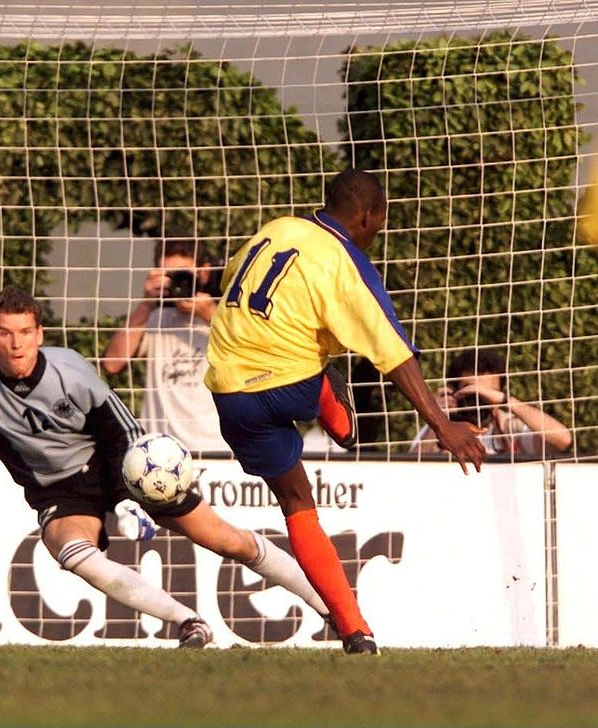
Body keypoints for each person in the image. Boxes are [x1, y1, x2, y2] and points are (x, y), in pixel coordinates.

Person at [0, 286, 335, 649]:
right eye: (5, 334)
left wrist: (126, 499)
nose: (16, 344)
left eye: (24, 333)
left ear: (40, 334)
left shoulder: (72, 372)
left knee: (226, 540)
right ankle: (187, 622)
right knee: (68, 551)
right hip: (59, 488)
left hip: (122, 467)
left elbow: (123, 436)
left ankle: (330, 606)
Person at [205, 168, 487, 655]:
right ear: (370, 215)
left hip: (228, 388)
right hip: (288, 385)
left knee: (296, 503)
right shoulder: (345, 261)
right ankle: (328, 399)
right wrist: (441, 425)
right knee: (328, 350)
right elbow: (394, 352)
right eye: (382, 219)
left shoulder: (276, 228)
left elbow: (232, 285)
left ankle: (355, 632)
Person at [101, 238, 230, 454]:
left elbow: (248, 353)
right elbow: (112, 364)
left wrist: (209, 313)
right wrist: (146, 303)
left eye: (184, 273)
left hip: (217, 449)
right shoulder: (155, 319)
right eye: (169, 274)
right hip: (160, 451)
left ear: (204, 272)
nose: (179, 281)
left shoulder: (226, 317)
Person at [410, 349, 572, 456]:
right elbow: (411, 468)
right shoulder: (439, 430)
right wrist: (437, 418)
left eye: (488, 393)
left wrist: (505, 401)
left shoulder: (510, 429)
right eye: (472, 391)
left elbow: (563, 440)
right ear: (454, 391)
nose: (481, 401)